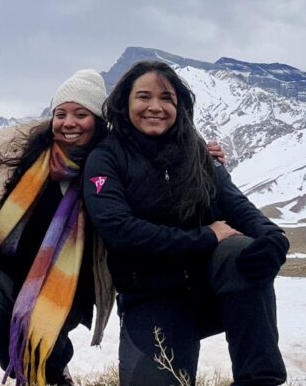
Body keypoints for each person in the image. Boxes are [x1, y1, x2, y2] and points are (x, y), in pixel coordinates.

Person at [83, 60, 288, 386]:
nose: (155, 107)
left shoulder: (195, 151)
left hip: (206, 289)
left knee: (241, 251)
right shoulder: (107, 157)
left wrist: (274, 238)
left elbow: (234, 203)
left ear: (179, 106)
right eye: (144, 97)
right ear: (125, 102)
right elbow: (119, 231)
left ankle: (259, 379)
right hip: (150, 297)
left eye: (166, 98)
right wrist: (206, 236)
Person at [0, 69, 115, 386]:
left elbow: (154, 153)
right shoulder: (26, 150)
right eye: (61, 113)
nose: (68, 123)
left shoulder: (111, 163)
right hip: (8, 268)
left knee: (38, 324)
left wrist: (201, 155)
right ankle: (36, 375)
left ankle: (50, 370)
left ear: (97, 120)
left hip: (69, 284)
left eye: (81, 114)